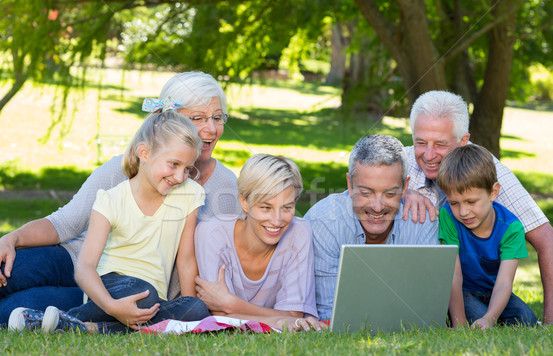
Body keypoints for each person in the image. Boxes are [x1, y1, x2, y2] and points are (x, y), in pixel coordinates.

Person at [0, 71, 241, 326]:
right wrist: (12, 238)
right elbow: (65, 223)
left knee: (13, 309)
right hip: (79, 261)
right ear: (169, 119)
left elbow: (232, 255)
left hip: (138, 291)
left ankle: (76, 322)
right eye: (197, 118)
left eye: (217, 117)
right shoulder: (124, 168)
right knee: (12, 271)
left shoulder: (225, 186)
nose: (211, 129)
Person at [9, 110, 211, 333]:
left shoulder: (190, 194)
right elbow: (85, 268)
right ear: (144, 152)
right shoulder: (111, 200)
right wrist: (112, 306)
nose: (180, 177)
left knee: (196, 309)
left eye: (187, 168)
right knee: (144, 296)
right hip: (112, 286)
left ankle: (81, 326)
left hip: (152, 298)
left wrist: (188, 320)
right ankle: (85, 317)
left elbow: (186, 259)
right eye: (174, 164)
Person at [404, 90, 553, 326]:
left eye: (440, 144)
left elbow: (551, 243)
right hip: (415, 287)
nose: (428, 155)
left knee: (519, 319)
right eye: (420, 142)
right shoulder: (398, 164)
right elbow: (358, 196)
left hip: (472, 286)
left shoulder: (486, 170)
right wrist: (399, 193)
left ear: (463, 141)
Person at [304, 135, 439, 321]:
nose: (377, 206)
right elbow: (330, 314)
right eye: (366, 193)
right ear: (350, 185)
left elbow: (425, 310)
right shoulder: (324, 223)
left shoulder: (421, 219)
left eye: (390, 193)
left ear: (405, 187)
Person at [195, 154, 325, 331]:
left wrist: (231, 303)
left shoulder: (299, 232)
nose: (277, 220)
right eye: (266, 207)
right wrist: (277, 320)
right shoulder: (212, 233)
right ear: (244, 202)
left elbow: (294, 316)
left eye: (287, 207)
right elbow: (218, 317)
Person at [436, 144, 537, 329]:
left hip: (493, 290)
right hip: (463, 290)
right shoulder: (447, 216)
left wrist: (490, 318)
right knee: (476, 316)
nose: (463, 212)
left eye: (471, 202)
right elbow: (454, 275)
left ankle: (488, 319)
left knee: (526, 319)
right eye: (454, 203)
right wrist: (459, 323)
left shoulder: (511, 228)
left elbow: (505, 282)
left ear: (493, 192)